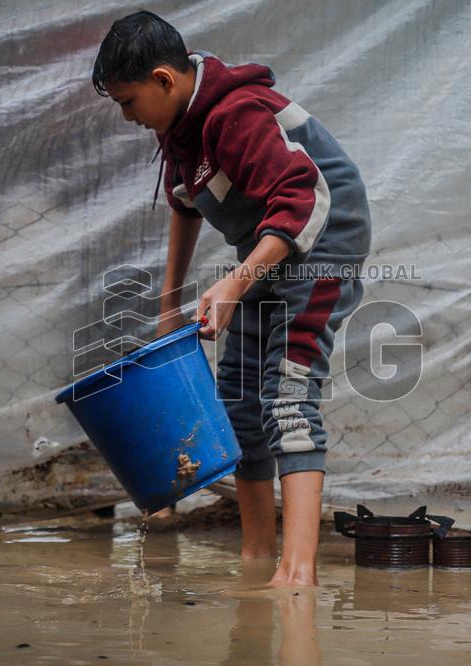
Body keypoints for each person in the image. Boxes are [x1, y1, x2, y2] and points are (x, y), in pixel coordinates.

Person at [92, 10, 371, 587]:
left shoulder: (235, 113)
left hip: (323, 237)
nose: (126, 116)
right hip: (266, 245)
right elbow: (184, 203)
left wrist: (236, 281)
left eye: (128, 100)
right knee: (240, 403)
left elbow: (301, 196)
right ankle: (256, 558)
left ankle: (298, 574)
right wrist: (171, 301)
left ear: (165, 80)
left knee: (287, 395)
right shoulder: (180, 128)